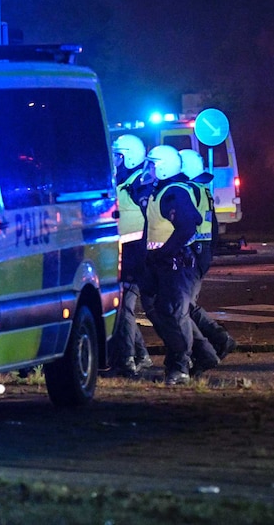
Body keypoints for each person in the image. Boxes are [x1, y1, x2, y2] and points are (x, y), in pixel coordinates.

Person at [139, 145, 217, 385]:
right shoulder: (162, 190)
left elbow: (187, 225)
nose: (148, 169)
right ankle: (200, 356)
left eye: (152, 165)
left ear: (162, 168)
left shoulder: (174, 193)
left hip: (176, 265)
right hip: (163, 265)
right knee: (166, 312)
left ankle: (180, 368)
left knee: (175, 314)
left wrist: (164, 252)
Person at [179, 149, 237, 375]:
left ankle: (216, 343)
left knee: (182, 308)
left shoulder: (189, 192)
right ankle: (218, 341)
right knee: (186, 306)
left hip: (190, 256)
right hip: (199, 255)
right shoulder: (203, 191)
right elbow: (212, 229)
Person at [106, 134, 154, 377]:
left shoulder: (139, 183)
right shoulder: (124, 180)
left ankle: (126, 363)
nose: (114, 159)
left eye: (118, 155)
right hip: (124, 254)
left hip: (135, 255)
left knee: (123, 309)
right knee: (122, 308)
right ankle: (141, 355)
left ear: (129, 157)